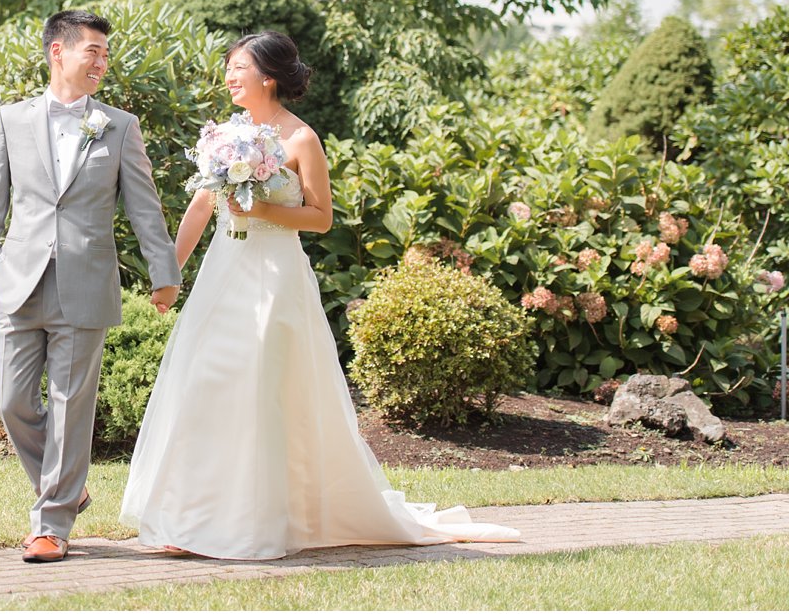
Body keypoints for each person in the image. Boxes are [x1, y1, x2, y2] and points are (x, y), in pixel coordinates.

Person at [119, 30, 519, 559]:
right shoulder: (226, 136)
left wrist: (261, 209)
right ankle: (189, 517)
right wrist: (170, 273)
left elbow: (321, 217)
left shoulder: (301, 139)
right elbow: (199, 208)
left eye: (239, 66)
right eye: (229, 66)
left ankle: (257, 521)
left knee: (263, 390)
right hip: (223, 273)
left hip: (274, 277)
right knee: (206, 384)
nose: (230, 76)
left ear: (268, 75)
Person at [0, 9, 182, 564]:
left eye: (106, 54)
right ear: (57, 52)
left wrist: (164, 274)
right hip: (18, 281)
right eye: (93, 50)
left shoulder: (119, 125)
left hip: (86, 282)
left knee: (69, 405)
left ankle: (52, 524)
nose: (102, 62)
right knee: (9, 399)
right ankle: (68, 485)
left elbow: (145, 207)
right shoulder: (10, 120)